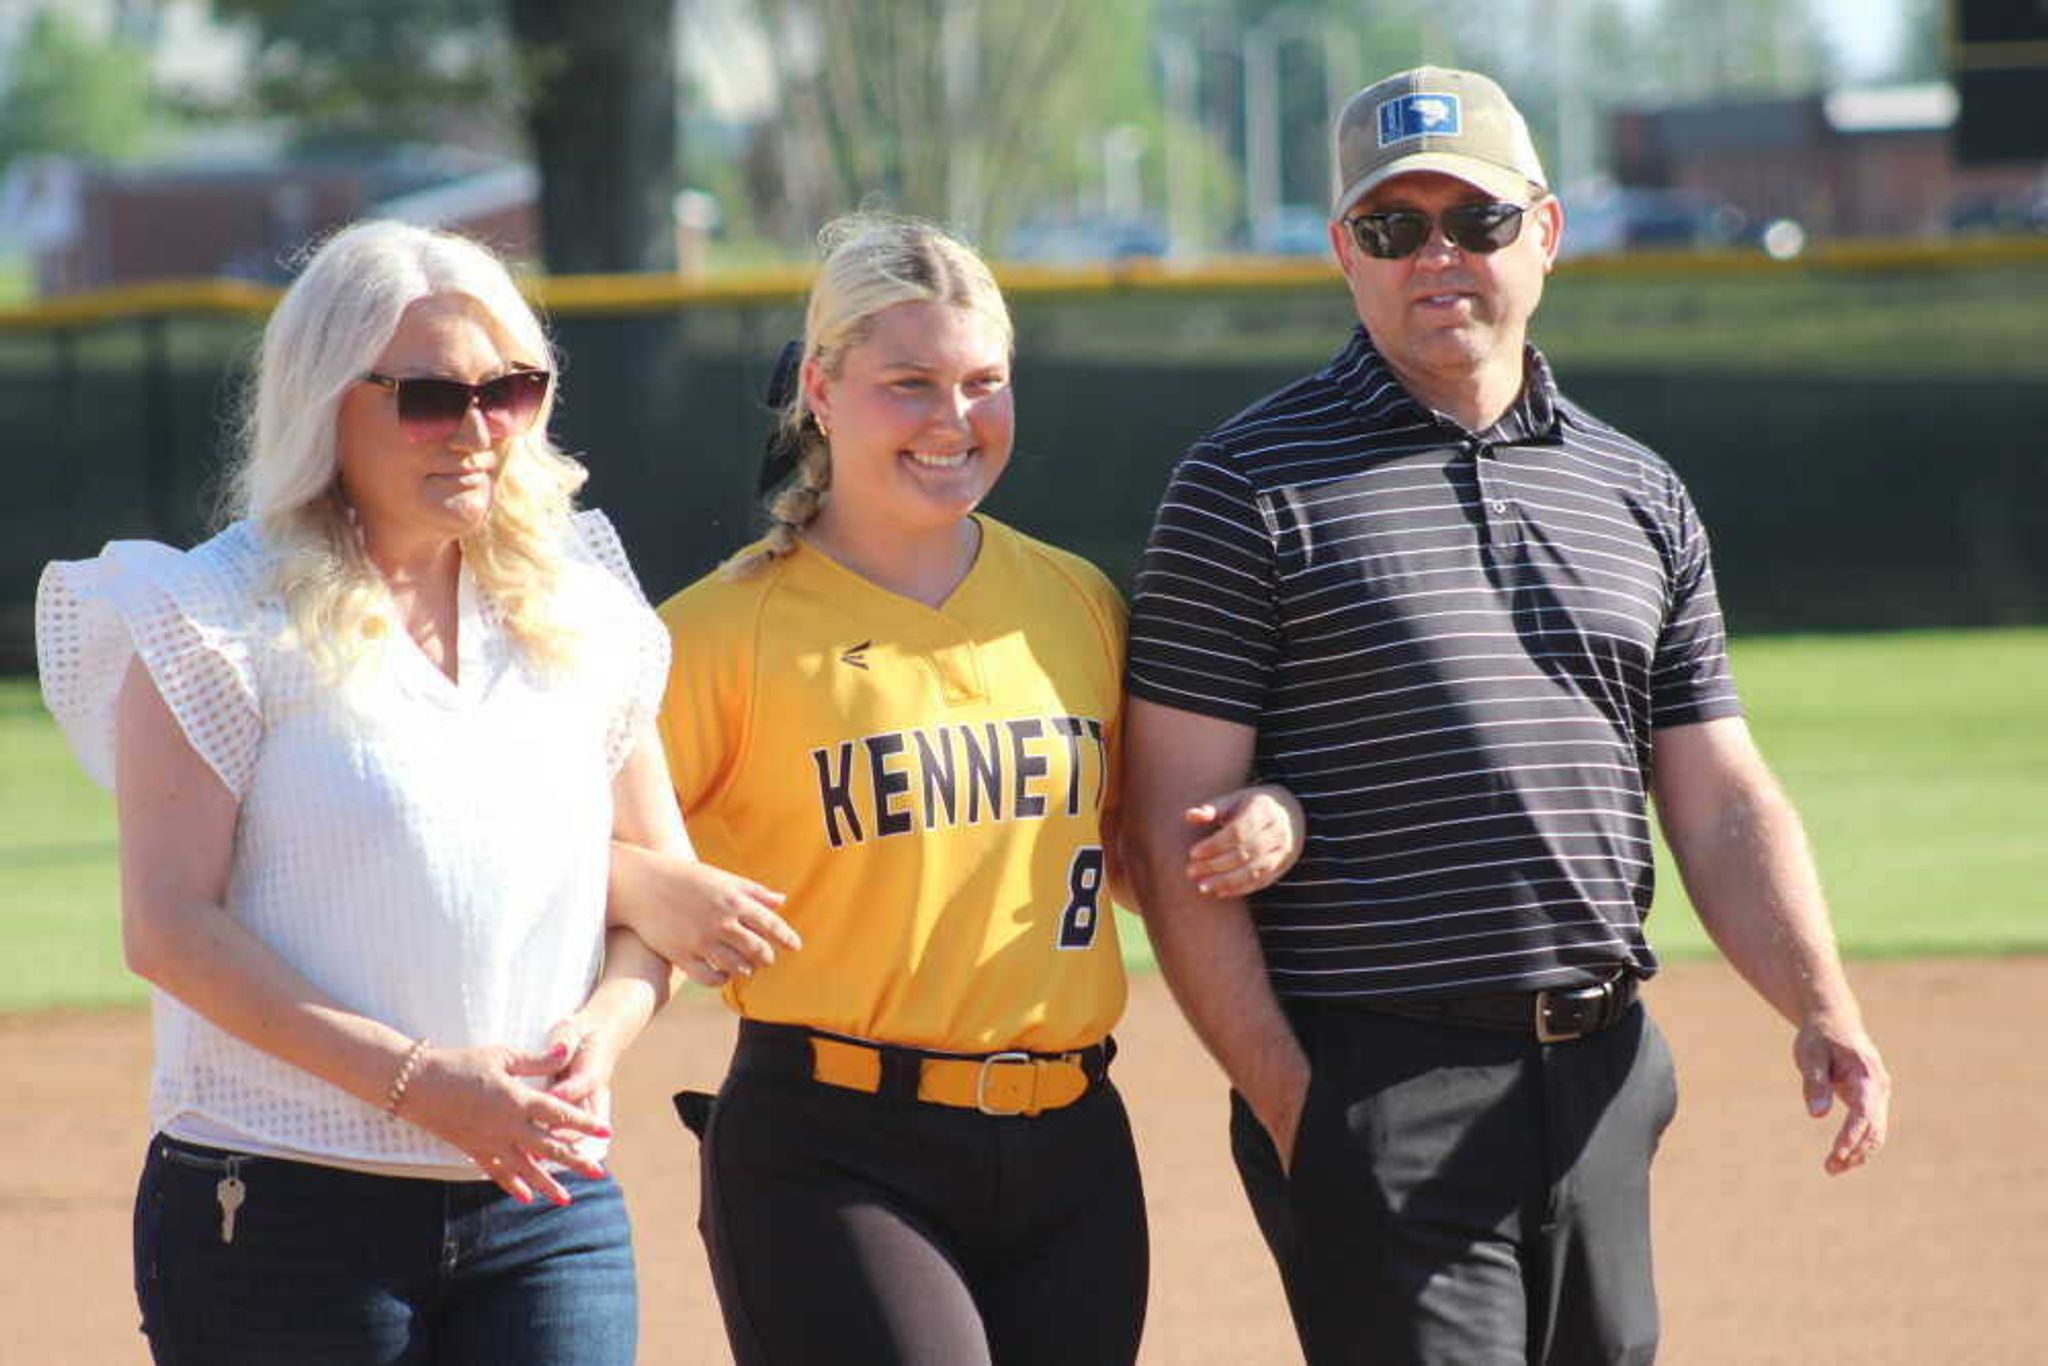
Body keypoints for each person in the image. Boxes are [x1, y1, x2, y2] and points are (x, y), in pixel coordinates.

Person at [1118, 66, 1893, 1365]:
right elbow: (1167, 830)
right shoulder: (1243, 486)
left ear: (1543, 232)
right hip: (1376, 1083)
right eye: (1391, 226)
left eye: (1472, 222)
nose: (1437, 257)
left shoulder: (1635, 491)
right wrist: (1297, 1103)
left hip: (1598, 1074)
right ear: (1342, 254)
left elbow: (1719, 792)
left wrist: (1822, 1001)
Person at [613, 212, 1302, 1366]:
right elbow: (533, 846)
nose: (953, 420)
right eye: (909, 383)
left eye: (984, 381)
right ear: (820, 391)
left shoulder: (1074, 601)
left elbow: (1138, 855)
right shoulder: (716, 633)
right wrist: (636, 875)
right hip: (835, 1149)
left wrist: (1264, 818)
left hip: (1072, 1147)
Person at [34, 220, 704, 1364]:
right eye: (433, 397)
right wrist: (419, 1083)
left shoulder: (581, 609)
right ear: (324, 402)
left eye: (512, 389)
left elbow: (657, 902)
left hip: (547, 1203)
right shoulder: (211, 617)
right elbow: (169, 928)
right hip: (281, 1214)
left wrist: (598, 1033)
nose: (480, 430)